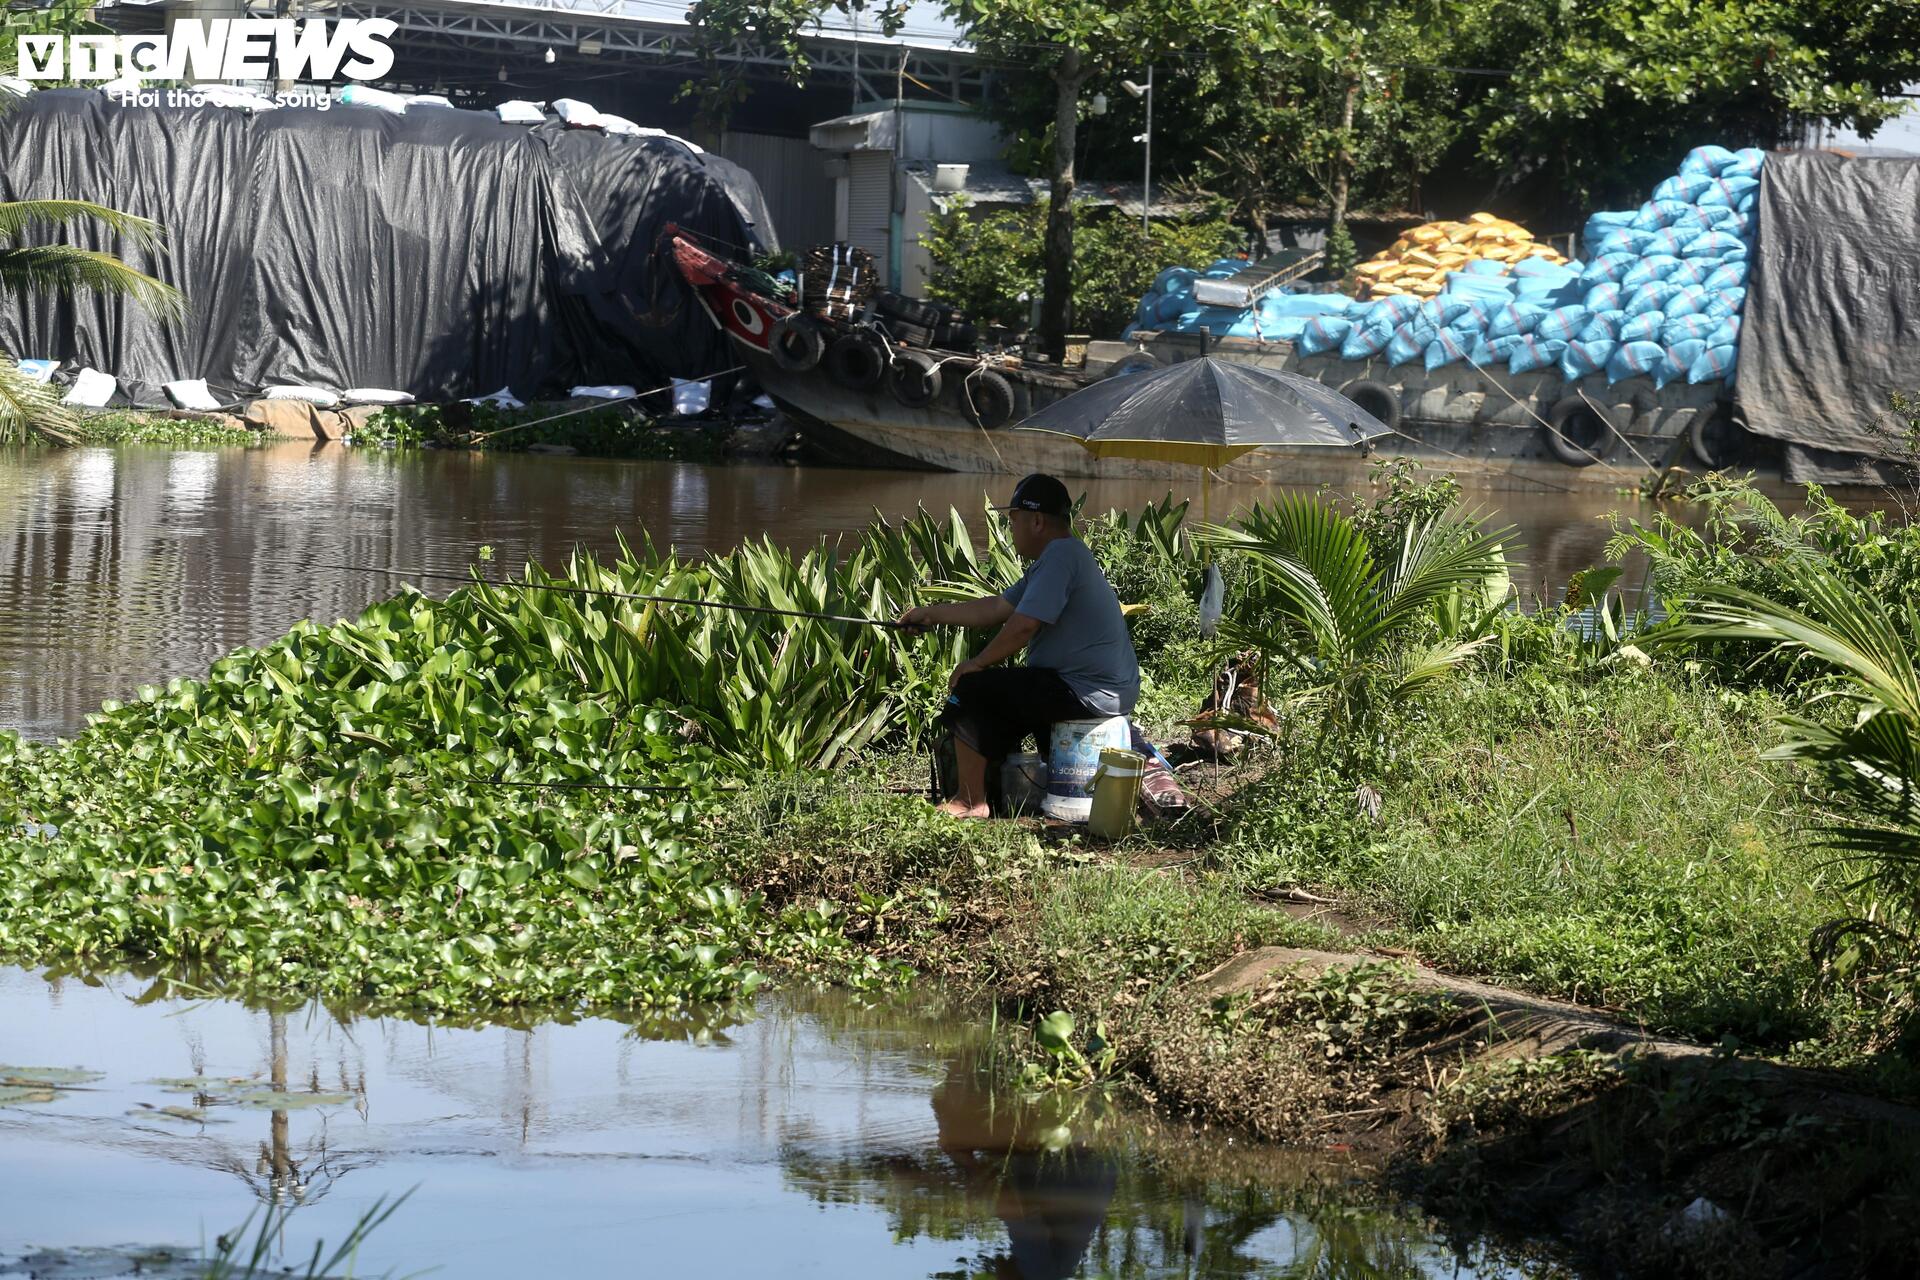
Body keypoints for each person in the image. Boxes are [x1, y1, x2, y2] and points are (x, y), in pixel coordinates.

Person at [897, 473, 1139, 819]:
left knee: (971, 690)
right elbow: (997, 608)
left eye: (1013, 520)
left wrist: (977, 663)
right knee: (1007, 689)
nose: (1010, 530)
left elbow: (1023, 626)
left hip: (1087, 691)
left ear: (1036, 520)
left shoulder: (1060, 557)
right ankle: (997, 792)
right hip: (1086, 686)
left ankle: (969, 802)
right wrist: (929, 614)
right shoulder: (1056, 558)